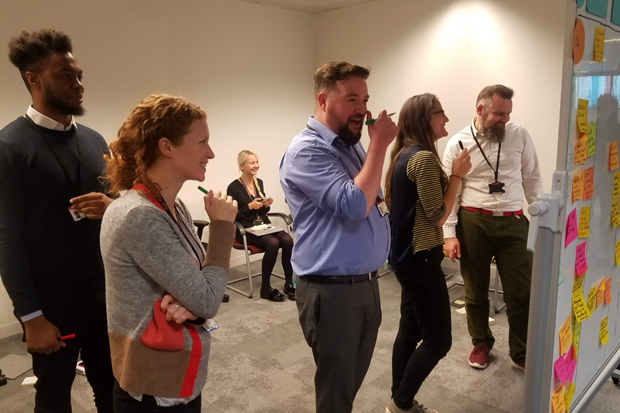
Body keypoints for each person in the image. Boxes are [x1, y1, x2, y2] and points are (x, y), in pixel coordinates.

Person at [0, 29, 114, 412]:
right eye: (65, 75)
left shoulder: (97, 141)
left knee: (112, 385)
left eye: (79, 75)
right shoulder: (9, 147)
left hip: (103, 291)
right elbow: (7, 239)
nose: (78, 85)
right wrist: (31, 317)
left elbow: (121, 206)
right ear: (33, 79)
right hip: (51, 302)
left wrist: (110, 203)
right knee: (53, 394)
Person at [101, 94, 237, 412]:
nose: (211, 153)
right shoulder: (140, 215)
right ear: (167, 147)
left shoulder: (172, 207)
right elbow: (208, 297)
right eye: (202, 141)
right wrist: (221, 227)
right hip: (153, 387)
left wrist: (192, 303)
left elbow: (200, 285)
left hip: (176, 376)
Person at [280, 61, 399, 413]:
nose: (362, 110)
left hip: (363, 284)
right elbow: (354, 204)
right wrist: (379, 144)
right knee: (335, 393)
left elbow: (372, 195)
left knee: (346, 385)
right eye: (351, 99)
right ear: (322, 99)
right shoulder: (307, 150)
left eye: (365, 100)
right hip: (331, 292)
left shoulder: (349, 146)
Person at [442, 85, 543, 371]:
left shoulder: (519, 134)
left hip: (513, 220)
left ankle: (521, 351)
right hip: (473, 220)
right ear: (480, 110)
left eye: (508, 113)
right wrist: (448, 235)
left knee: (522, 290)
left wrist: (542, 219)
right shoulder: (458, 143)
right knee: (475, 289)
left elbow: (532, 178)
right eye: (499, 114)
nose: (505, 120)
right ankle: (481, 342)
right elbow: (451, 191)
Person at [384, 94, 471, 413]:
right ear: (425, 119)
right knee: (438, 341)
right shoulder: (421, 159)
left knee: (410, 330)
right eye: (441, 114)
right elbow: (438, 215)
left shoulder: (406, 155)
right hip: (420, 259)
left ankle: (399, 401)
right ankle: (400, 403)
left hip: (409, 258)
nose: (446, 119)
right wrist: (458, 176)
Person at [227, 150, 295, 301]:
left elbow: (262, 211)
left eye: (257, 162)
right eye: (252, 163)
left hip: (262, 226)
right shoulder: (233, 188)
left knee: (288, 240)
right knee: (273, 242)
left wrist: (266, 205)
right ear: (242, 166)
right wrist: (249, 207)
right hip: (245, 229)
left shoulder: (260, 183)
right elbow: (233, 216)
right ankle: (265, 288)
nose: (256, 165)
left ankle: (289, 283)